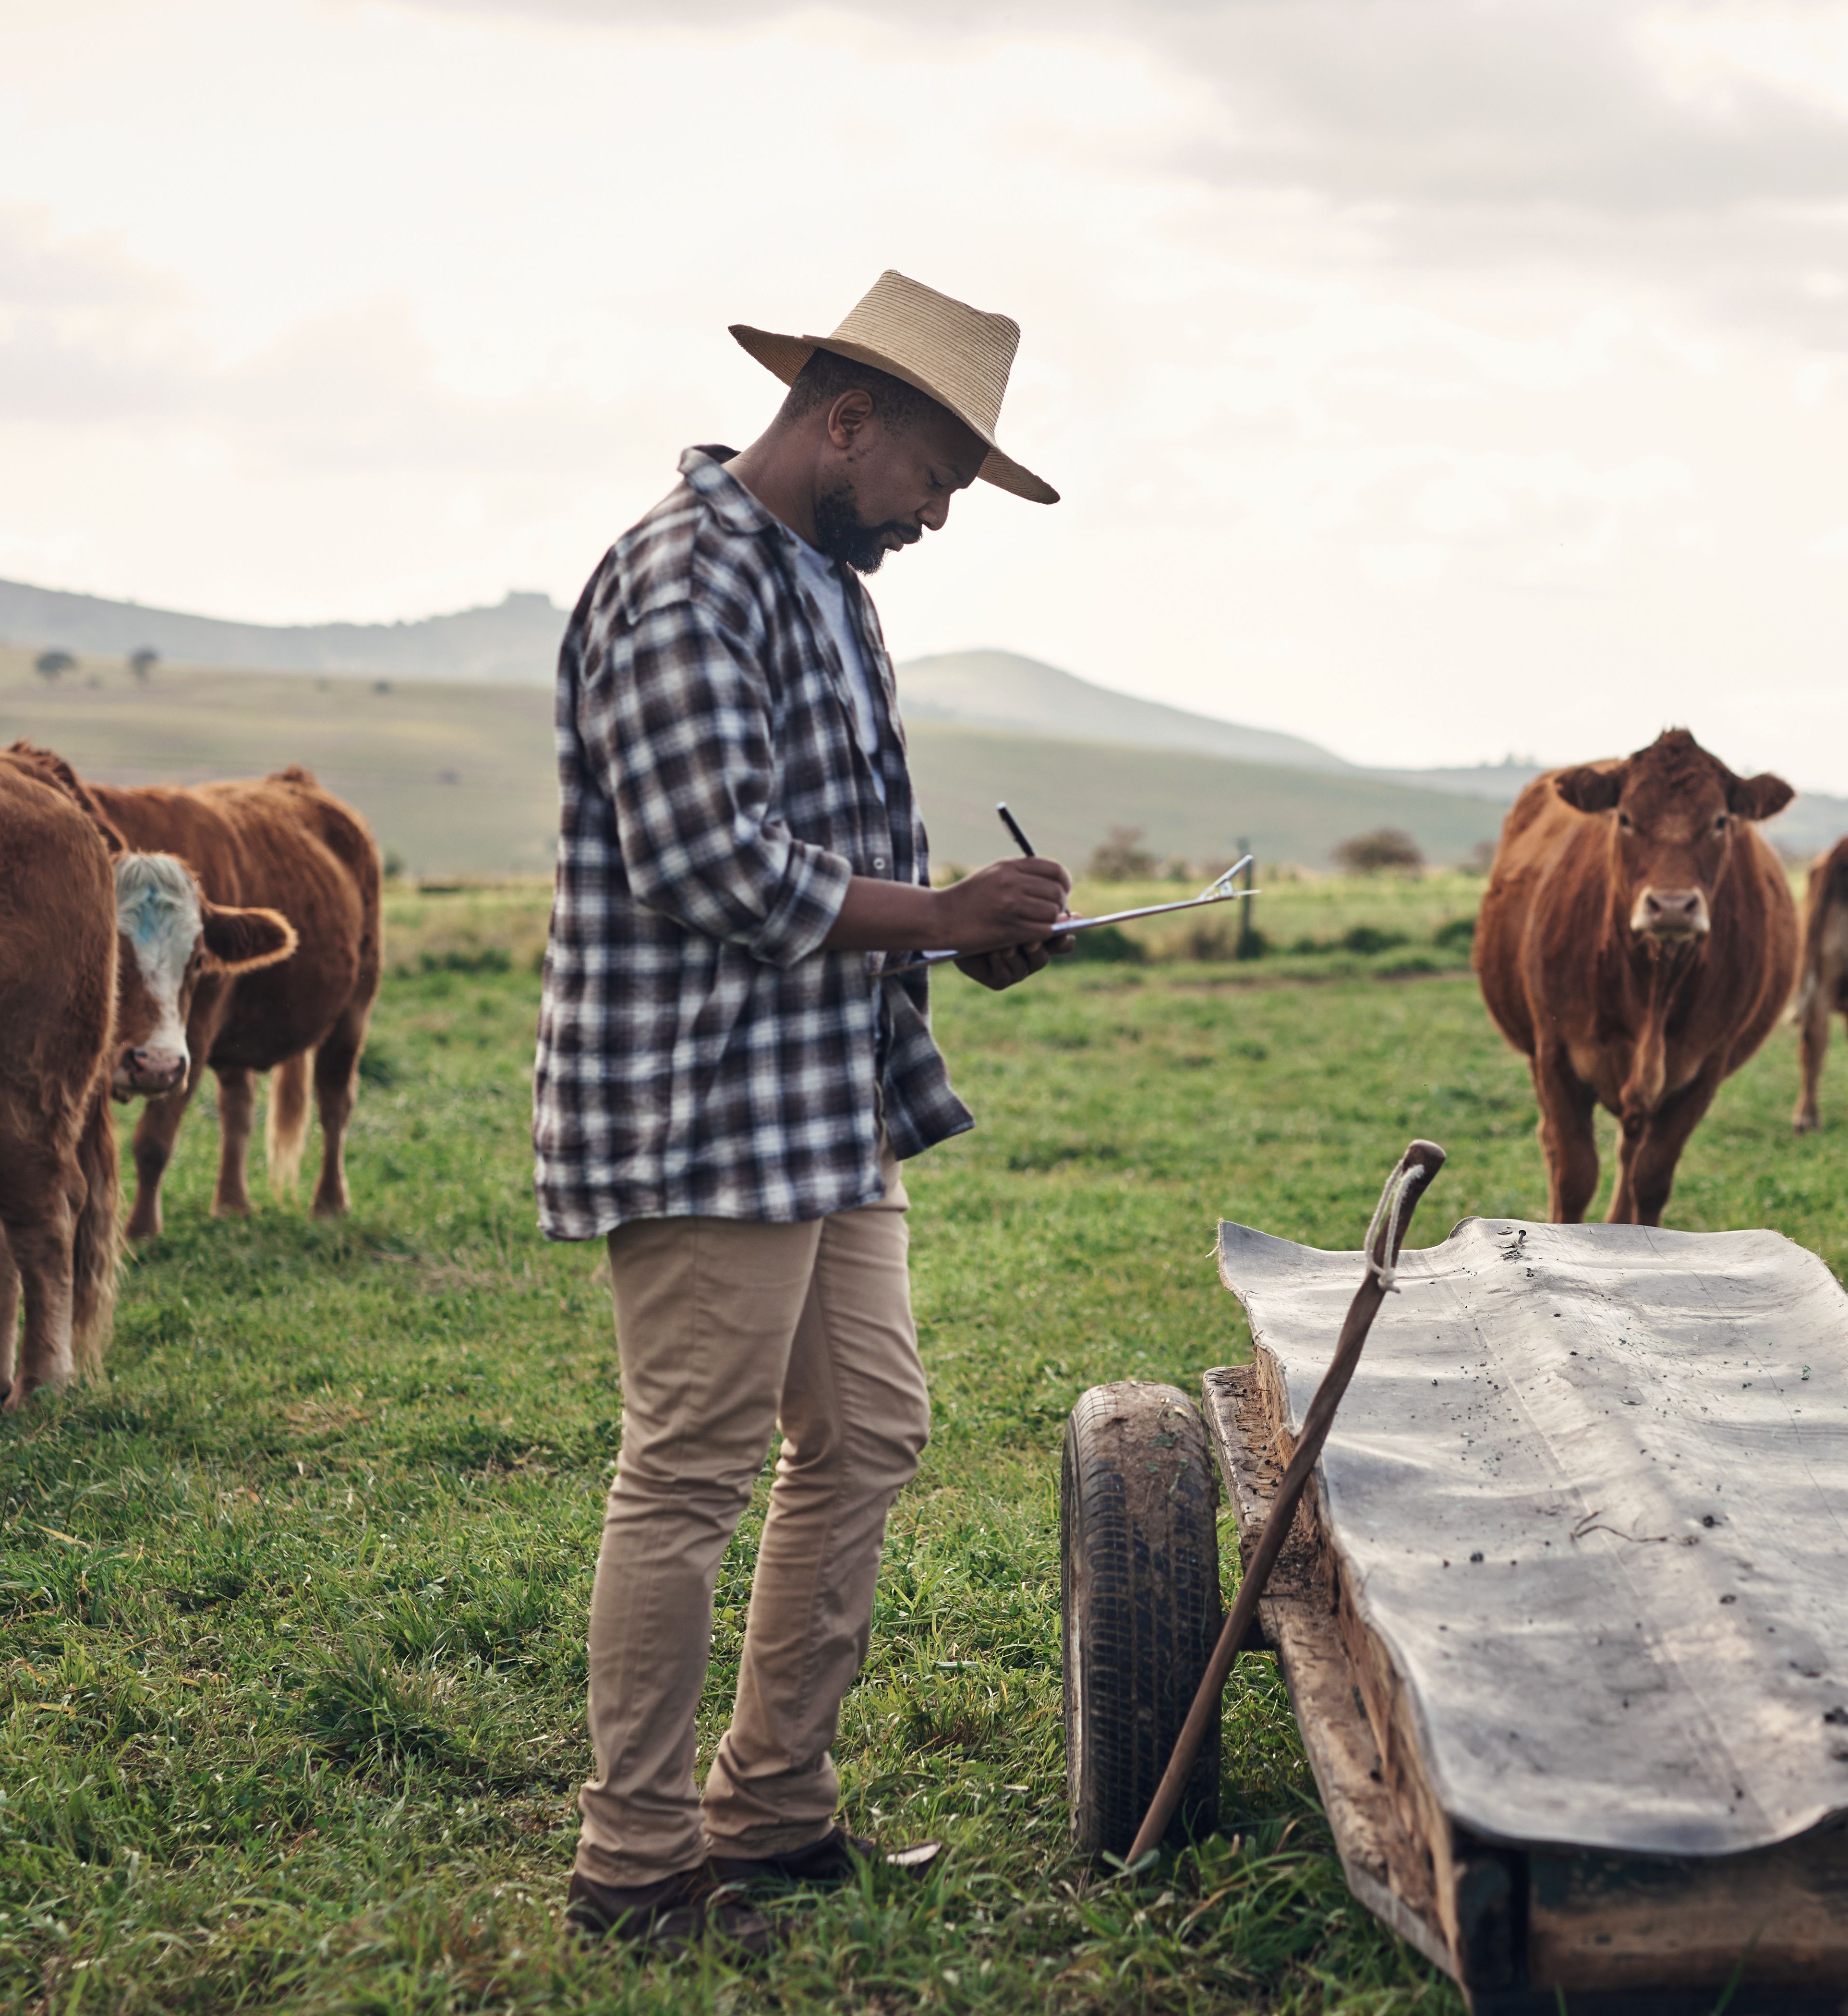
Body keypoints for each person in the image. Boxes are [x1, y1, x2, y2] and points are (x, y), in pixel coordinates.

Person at [534, 271, 1073, 1956]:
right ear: (846, 421)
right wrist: (937, 913)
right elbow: (710, 858)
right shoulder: (686, 576)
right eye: (933, 477)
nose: (934, 515)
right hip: (701, 1098)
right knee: (688, 1471)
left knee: (871, 1432)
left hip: (821, 1095)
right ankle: (632, 1866)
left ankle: (768, 1815)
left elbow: (831, 849)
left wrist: (963, 934)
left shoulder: (824, 581)